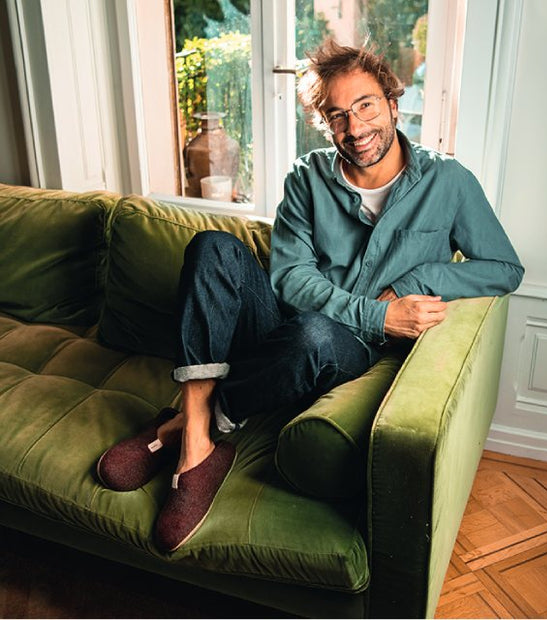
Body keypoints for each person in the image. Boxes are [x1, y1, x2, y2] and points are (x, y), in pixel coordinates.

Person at [96, 39, 524, 553]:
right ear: (325, 123)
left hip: (346, 349)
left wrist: (418, 280)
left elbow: (504, 268)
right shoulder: (307, 176)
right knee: (212, 247)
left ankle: (179, 429)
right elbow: (291, 280)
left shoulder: (449, 182)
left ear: (393, 103)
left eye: (366, 106)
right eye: (337, 116)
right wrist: (377, 313)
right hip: (285, 322)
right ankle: (197, 444)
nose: (355, 128)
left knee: (315, 334)